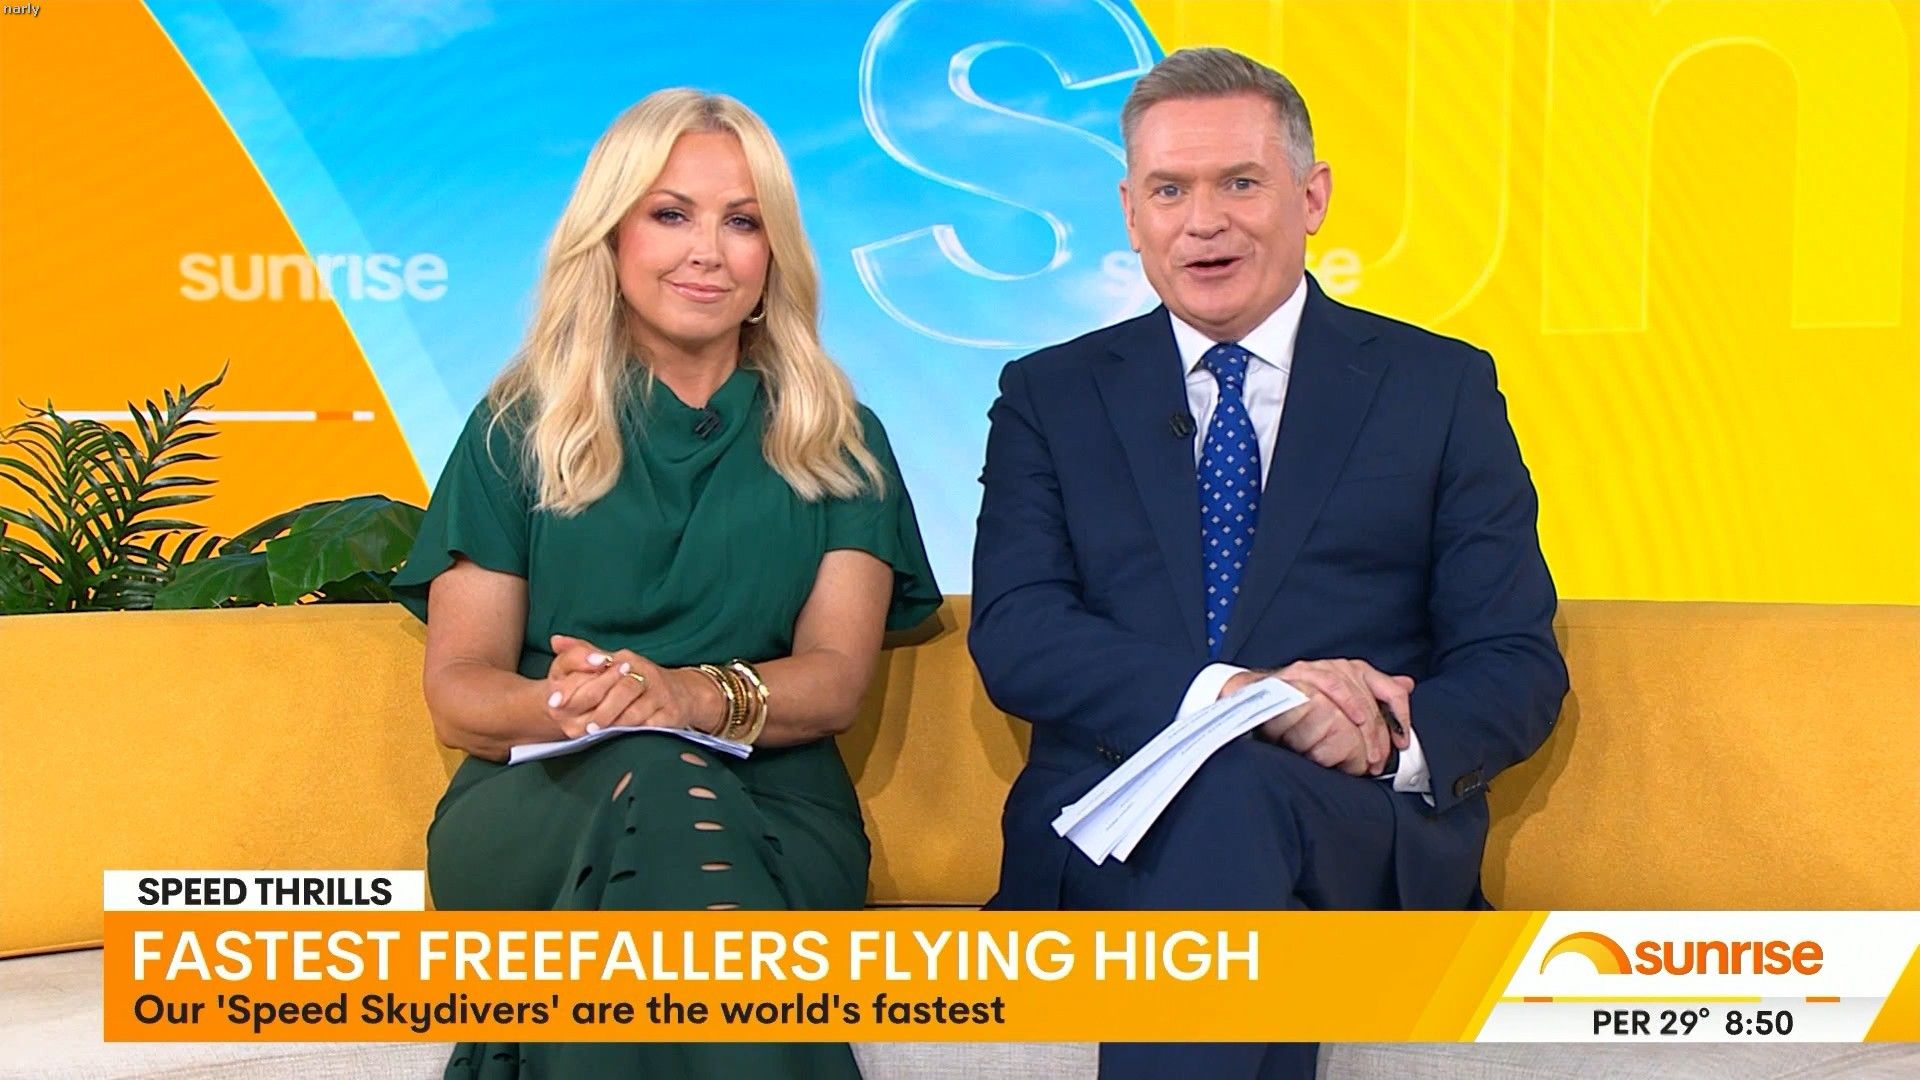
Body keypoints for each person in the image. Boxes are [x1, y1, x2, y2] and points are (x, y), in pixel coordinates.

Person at [969, 47, 1568, 1079]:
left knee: (1236, 802)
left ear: (1312, 196)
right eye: (1170, 190)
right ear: (1131, 213)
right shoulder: (1050, 396)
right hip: (1112, 826)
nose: (1203, 222)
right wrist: (1244, 699)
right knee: (1235, 831)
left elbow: (1513, 659)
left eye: (1240, 183)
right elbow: (1020, 634)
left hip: (1353, 823)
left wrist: (1380, 740)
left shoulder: (1438, 388)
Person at [390, 88, 941, 1079]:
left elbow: (833, 680)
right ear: (610, 236)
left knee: (675, 810)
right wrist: (584, 705)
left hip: (776, 810)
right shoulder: (517, 428)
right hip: (544, 806)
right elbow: (460, 691)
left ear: (774, 256)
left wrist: (684, 696)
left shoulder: (840, 440)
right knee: (655, 781)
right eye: (671, 214)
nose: (707, 251)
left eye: (743, 222)